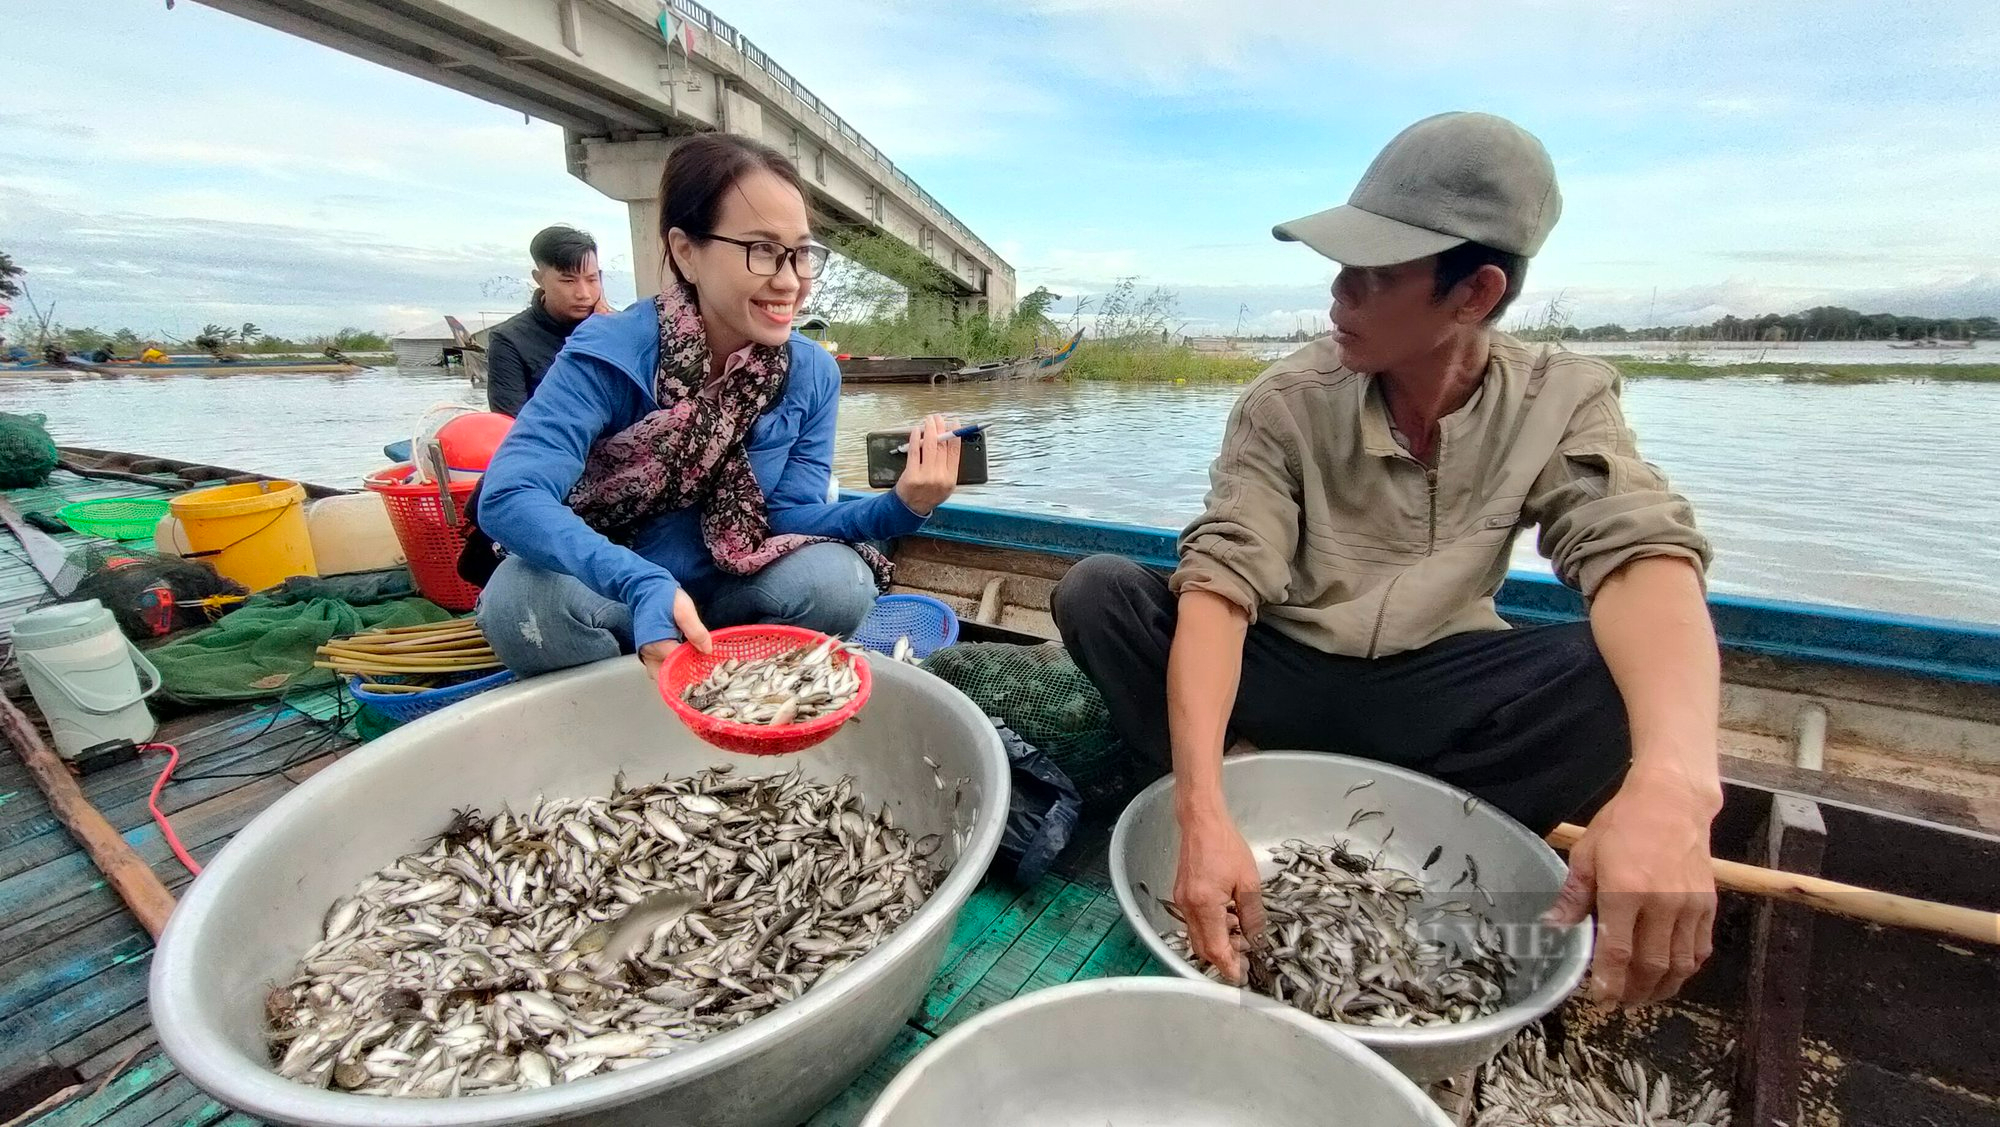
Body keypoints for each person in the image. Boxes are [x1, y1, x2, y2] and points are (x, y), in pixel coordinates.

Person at [1053, 113, 1721, 1007]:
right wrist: (1202, 808)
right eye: (1340, 270)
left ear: (1475, 293)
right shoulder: (1286, 401)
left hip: (1429, 683)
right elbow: (1219, 583)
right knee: (1100, 593)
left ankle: (1414, 846)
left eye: (1374, 277)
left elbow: (1638, 551)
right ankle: (1235, 773)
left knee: (1616, 677)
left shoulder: (1561, 398)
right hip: (1280, 665)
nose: (1339, 297)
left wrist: (1675, 785)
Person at [475, 134, 962, 679]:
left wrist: (903, 505)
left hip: (731, 582)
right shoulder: (610, 354)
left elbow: (788, 515)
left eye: (801, 253)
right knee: (521, 602)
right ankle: (621, 703)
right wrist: (641, 581)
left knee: (839, 581)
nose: (790, 281)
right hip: (614, 592)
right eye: (761, 250)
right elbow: (511, 496)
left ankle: (732, 681)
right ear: (686, 252)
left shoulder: (808, 372)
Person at [486, 225, 611, 417]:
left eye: (592, 280)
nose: (583, 294)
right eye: (568, 281)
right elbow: (510, 426)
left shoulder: (615, 328)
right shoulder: (509, 341)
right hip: (552, 443)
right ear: (539, 279)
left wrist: (608, 334)